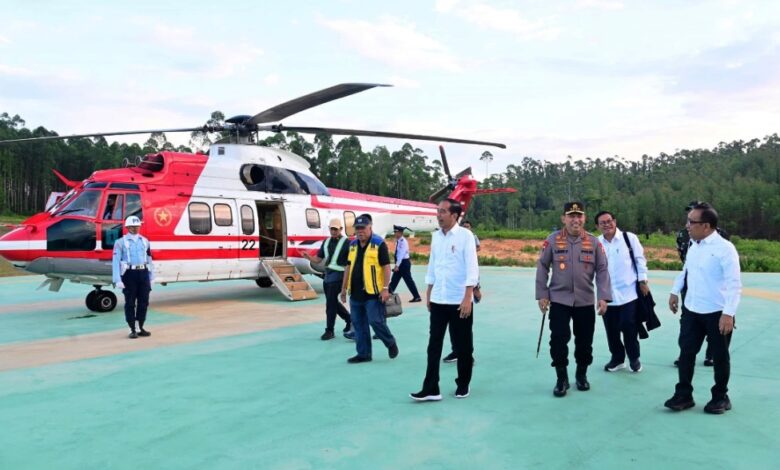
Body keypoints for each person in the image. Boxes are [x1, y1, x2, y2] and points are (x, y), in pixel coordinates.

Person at [665, 202, 741, 414]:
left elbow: (735, 283)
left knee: (719, 355)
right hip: (692, 309)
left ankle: (720, 396)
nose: (687, 225)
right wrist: (674, 290)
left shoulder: (725, 249)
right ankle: (683, 394)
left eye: (692, 222)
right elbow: (686, 270)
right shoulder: (693, 244)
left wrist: (729, 313)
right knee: (686, 352)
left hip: (717, 312)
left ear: (706, 226)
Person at [535, 202, 611, 397]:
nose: (575, 220)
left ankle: (581, 374)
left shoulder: (594, 243)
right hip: (559, 300)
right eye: (571, 216)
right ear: (564, 219)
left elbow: (602, 270)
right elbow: (542, 266)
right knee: (558, 340)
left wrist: (603, 296)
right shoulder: (552, 240)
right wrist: (542, 294)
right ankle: (561, 378)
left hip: (585, 301)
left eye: (579, 216)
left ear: (584, 218)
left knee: (585, 342)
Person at [410, 199, 479, 401]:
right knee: (434, 345)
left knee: (463, 346)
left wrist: (468, 297)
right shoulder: (436, 237)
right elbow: (433, 266)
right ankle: (431, 388)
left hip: (459, 300)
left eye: (442, 211)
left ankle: (463, 384)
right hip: (439, 299)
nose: (438, 215)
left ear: (454, 215)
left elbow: (472, 268)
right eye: (437, 211)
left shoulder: (466, 236)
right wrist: (430, 292)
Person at [675, 200, 731, 367]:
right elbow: (683, 260)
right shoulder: (682, 234)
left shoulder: (720, 236)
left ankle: (711, 354)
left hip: (713, 291)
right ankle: (686, 353)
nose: (689, 222)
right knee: (687, 323)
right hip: (691, 284)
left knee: (714, 327)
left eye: (693, 215)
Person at [595, 211, 651, 373]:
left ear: (615, 221)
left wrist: (643, 281)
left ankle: (634, 358)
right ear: (597, 226)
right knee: (611, 330)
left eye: (609, 221)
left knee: (629, 327)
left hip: (629, 294)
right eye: (602, 223)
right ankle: (617, 359)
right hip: (607, 295)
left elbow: (640, 260)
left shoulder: (629, 238)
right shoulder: (596, 243)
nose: (607, 224)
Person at [340, 214, 399, 363]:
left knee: (375, 321)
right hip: (355, 293)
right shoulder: (352, 245)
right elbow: (348, 267)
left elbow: (386, 267)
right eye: (357, 228)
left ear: (370, 227)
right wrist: (343, 288)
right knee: (359, 325)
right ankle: (364, 354)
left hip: (373, 293)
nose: (360, 231)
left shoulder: (379, 243)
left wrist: (385, 288)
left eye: (363, 228)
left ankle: (390, 342)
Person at [302, 218, 351, 340]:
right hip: (328, 275)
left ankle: (330, 330)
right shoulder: (326, 242)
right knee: (332, 301)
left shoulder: (347, 243)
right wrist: (308, 257)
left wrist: (346, 283)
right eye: (332, 229)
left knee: (330, 303)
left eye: (336, 229)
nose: (334, 231)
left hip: (339, 275)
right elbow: (318, 259)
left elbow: (349, 264)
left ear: (341, 229)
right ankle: (350, 320)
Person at [442, 219, 481, 363]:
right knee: (452, 326)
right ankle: (456, 351)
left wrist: (476, 289)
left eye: (468, 227)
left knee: (464, 328)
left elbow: (473, 270)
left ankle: (467, 356)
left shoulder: (470, 241)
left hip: (465, 294)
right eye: (464, 227)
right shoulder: (449, 240)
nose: (466, 229)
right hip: (451, 294)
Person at [112, 215, 154, 339]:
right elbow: (115, 261)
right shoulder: (120, 242)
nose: (135, 229)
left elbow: (149, 259)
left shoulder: (145, 241)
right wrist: (117, 279)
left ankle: (140, 326)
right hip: (129, 275)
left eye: (137, 226)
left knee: (144, 302)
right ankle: (132, 328)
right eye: (132, 226)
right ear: (127, 227)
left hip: (143, 273)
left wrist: (152, 276)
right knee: (130, 302)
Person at [388, 225, 422, 302]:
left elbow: (400, 254)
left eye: (396, 232)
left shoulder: (403, 242)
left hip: (403, 264)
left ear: (400, 232)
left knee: (408, 281)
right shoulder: (399, 241)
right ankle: (388, 294)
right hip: (401, 264)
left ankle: (417, 296)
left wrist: (397, 265)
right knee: (394, 280)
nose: (395, 234)